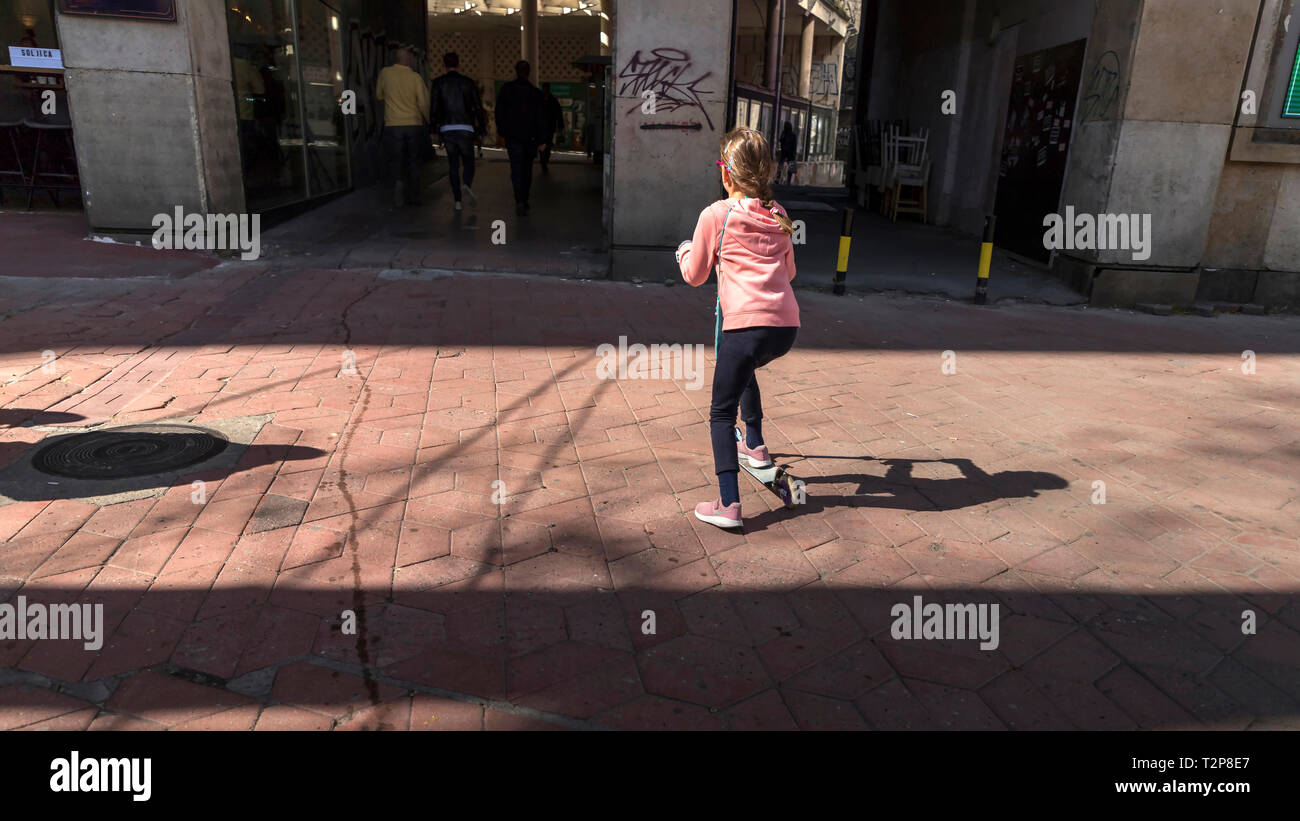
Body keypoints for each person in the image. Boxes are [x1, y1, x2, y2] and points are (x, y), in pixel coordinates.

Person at [675, 128, 801, 530]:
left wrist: (683, 252)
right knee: (743, 368)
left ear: (726, 174)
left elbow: (695, 274)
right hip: (784, 328)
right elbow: (790, 271)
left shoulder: (716, 214)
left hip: (745, 326)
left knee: (719, 413)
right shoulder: (780, 214)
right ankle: (756, 445)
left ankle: (729, 505)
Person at [376, 46, 429, 207]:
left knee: (395, 160)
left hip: (393, 125)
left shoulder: (385, 73)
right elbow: (423, 103)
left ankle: (398, 185)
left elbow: (379, 95)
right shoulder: (416, 78)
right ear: (408, 60)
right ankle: (413, 196)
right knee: (413, 160)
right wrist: (429, 121)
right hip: (413, 124)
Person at [429, 51, 483, 211]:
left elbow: (434, 108)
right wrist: (481, 129)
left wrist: (433, 129)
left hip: (447, 128)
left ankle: (457, 201)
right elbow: (478, 107)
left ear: (444, 65)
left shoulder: (438, 83)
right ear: (458, 64)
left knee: (453, 164)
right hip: (466, 128)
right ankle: (466, 183)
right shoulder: (468, 82)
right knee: (469, 161)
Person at [495, 60, 548, 216]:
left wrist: (503, 132)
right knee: (527, 169)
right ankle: (524, 199)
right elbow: (541, 118)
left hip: (513, 138)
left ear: (516, 71)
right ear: (529, 72)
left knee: (516, 169)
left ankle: (519, 200)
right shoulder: (535, 93)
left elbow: (499, 113)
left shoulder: (506, 90)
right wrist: (542, 139)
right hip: (530, 138)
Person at [539, 83, 564, 173]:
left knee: (547, 144)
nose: (545, 90)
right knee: (543, 144)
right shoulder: (540, 99)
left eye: (546, 88)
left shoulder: (552, 100)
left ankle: (544, 159)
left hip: (549, 127)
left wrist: (560, 126)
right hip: (542, 127)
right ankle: (543, 161)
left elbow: (558, 114)